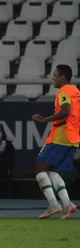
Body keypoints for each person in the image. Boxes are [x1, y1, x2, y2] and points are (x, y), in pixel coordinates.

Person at [31, 64, 80, 220]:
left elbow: (65, 110)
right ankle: (67, 204)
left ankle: (53, 204)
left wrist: (46, 119)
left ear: (62, 77)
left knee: (39, 168)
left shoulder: (63, 91)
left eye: (55, 75)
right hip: (73, 137)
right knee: (52, 171)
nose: (53, 78)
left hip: (61, 135)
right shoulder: (77, 92)